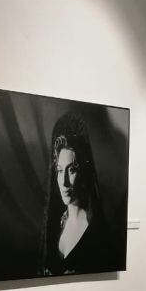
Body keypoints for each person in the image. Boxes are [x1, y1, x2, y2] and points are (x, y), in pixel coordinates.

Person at [40, 112, 111, 275]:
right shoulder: (55, 224)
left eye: (71, 170)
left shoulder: (94, 232)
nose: (63, 181)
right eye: (59, 170)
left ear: (83, 172)